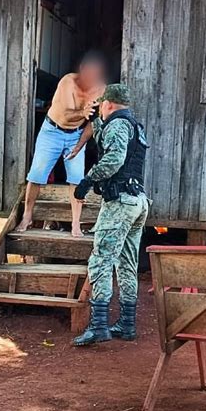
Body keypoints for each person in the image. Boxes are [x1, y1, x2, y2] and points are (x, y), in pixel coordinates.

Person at [71, 84, 150, 346]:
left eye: (101, 105)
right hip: (138, 201)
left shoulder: (118, 124)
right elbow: (110, 142)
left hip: (119, 204)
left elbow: (114, 158)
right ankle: (127, 324)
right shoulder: (133, 125)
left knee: (101, 261)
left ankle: (99, 326)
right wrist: (94, 120)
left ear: (109, 104)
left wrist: (88, 180)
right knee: (127, 263)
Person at [15, 52, 106, 237]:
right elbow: (67, 111)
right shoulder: (68, 81)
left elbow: (93, 122)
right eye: (90, 73)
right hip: (52, 131)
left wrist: (80, 145)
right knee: (37, 175)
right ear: (82, 70)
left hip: (76, 135)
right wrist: (84, 111)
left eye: (96, 74)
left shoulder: (101, 90)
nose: (92, 79)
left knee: (76, 178)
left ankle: (75, 224)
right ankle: (27, 216)